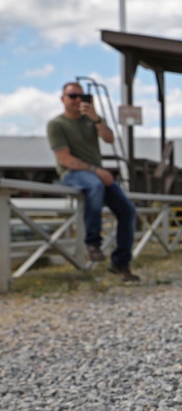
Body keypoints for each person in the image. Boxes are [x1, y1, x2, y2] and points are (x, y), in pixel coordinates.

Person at [47, 81, 139, 281]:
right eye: (73, 96)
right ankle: (92, 242)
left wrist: (96, 118)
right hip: (73, 174)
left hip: (95, 174)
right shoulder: (57, 124)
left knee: (128, 210)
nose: (78, 100)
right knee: (95, 185)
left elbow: (110, 139)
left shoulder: (92, 120)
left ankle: (120, 262)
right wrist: (96, 170)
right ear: (63, 99)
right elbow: (64, 159)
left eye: (82, 96)